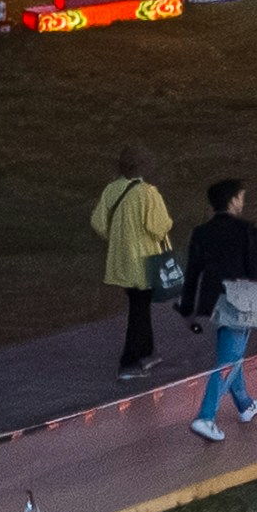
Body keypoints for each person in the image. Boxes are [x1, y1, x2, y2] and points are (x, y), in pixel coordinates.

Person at [179, 175, 257, 440]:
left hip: (217, 303)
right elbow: (256, 268)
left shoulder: (201, 233)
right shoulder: (245, 230)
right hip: (242, 301)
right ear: (232, 201)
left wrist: (189, 307)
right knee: (229, 361)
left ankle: (245, 405)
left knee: (233, 355)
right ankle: (206, 417)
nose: (242, 202)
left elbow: (193, 272)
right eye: (241, 197)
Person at [86, 152, 175, 378]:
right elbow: (158, 227)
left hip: (121, 261)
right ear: (143, 168)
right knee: (139, 310)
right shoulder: (148, 193)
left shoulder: (112, 190)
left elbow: (97, 221)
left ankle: (148, 351)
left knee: (140, 306)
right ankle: (129, 362)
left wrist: (115, 236)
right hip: (144, 261)